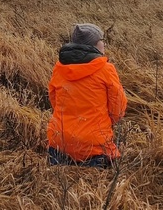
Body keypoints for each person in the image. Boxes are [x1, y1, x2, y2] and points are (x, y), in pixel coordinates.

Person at [47, 23, 128, 167]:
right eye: (102, 40)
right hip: (93, 147)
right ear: (96, 45)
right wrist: (107, 124)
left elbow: (54, 101)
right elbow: (118, 109)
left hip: (59, 143)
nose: (104, 44)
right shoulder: (106, 69)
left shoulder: (59, 67)